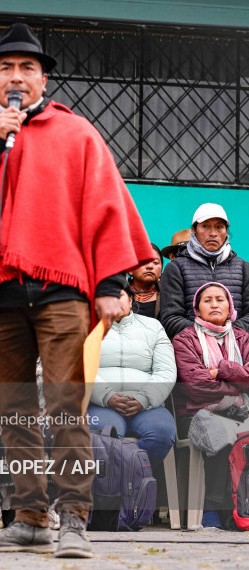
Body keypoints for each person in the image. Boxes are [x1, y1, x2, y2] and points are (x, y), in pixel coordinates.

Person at [0, 23, 153, 557]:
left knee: (64, 405)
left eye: (26, 68)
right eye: (5, 68)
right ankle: (29, 516)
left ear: (44, 78)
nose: (15, 76)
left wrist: (109, 282)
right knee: (12, 409)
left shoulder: (75, 133)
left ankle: (74, 516)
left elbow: (105, 205)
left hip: (62, 292)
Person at [173, 282, 249, 529]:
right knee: (222, 435)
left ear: (230, 307)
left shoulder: (242, 338)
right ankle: (213, 509)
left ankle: (242, 506)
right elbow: (197, 386)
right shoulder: (185, 339)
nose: (215, 304)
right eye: (207, 300)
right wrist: (238, 384)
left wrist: (223, 370)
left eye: (220, 299)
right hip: (198, 412)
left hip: (242, 410)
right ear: (196, 309)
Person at [87, 286, 177, 468]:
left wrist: (144, 398)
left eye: (118, 295)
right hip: (99, 404)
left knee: (161, 433)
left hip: (147, 405)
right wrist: (107, 396)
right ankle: (117, 491)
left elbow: (166, 371)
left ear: (130, 300)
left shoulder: (153, 327)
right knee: (103, 437)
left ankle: (132, 483)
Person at [160, 203, 249, 339]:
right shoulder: (175, 268)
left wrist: (228, 336)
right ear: (194, 230)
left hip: (237, 350)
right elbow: (171, 319)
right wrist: (207, 337)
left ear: (226, 231)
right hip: (191, 352)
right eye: (205, 226)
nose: (213, 233)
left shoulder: (244, 268)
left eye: (219, 227)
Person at [130, 244, 163, 319]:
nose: (150, 266)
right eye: (143, 262)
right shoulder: (119, 295)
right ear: (130, 269)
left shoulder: (168, 294)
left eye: (155, 263)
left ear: (161, 269)